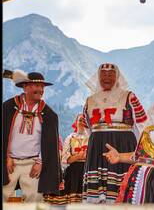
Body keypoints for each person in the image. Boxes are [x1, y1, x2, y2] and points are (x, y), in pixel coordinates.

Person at [82, 63, 147, 204]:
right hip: (97, 148)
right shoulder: (90, 100)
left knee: (121, 188)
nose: (107, 77)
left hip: (123, 144)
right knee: (97, 193)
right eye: (103, 74)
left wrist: (141, 150)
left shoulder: (129, 96)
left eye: (111, 74)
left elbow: (142, 123)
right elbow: (87, 127)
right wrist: (95, 142)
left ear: (117, 77)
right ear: (98, 77)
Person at [2, 70, 62, 202]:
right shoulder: (7, 107)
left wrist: (40, 162)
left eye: (42, 87)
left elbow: (51, 144)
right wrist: (6, 157)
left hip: (33, 164)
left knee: (34, 200)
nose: (40, 89)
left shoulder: (49, 114)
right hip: (9, 163)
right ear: (25, 87)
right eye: (36, 86)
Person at [61, 114, 89, 203]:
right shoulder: (70, 138)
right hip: (73, 173)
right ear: (76, 123)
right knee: (73, 202)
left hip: (88, 172)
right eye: (80, 120)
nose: (82, 123)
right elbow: (66, 160)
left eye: (84, 121)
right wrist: (79, 156)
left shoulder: (92, 138)